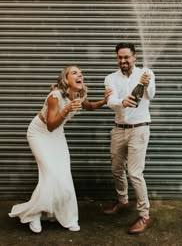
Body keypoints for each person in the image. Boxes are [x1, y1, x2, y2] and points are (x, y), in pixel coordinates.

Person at [9, 65, 111, 234]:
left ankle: (68, 217)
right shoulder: (55, 96)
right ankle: (34, 214)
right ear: (66, 79)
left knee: (64, 175)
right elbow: (50, 126)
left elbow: (89, 106)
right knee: (50, 175)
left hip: (57, 135)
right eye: (75, 73)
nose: (80, 75)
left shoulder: (80, 93)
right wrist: (66, 109)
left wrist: (104, 101)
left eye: (81, 73)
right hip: (39, 134)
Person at [104, 42, 155, 234]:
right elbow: (110, 101)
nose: (123, 60)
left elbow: (151, 96)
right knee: (116, 168)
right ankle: (123, 201)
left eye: (126, 57)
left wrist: (147, 83)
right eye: (120, 57)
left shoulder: (146, 73)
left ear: (134, 57)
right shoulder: (110, 78)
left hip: (139, 129)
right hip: (118, 129)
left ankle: (145, 216)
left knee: (134, 173)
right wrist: (121, 101)